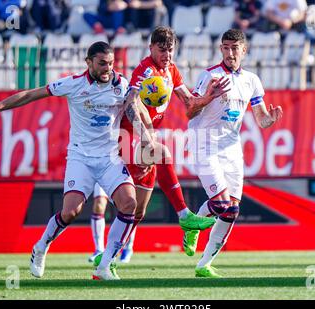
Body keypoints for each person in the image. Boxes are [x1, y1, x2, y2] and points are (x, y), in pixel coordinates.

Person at [0, 41, 153, 281]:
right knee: (71, 212)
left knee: (129, 204)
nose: (108, 69)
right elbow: (31, 94)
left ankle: (105, 265)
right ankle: (41, 247)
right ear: (89, 63)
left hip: (109, 159)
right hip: (80, 158)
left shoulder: (121, 84)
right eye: (102, 63)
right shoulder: (73, 84)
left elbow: (133, 109)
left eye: (111, 63)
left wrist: (147, 137)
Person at [92, 26, 229, 270]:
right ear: (151, 48)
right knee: (162, 153)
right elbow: (132, 102)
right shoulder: (145, 70)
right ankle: (185, 216)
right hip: (128, 138)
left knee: (137, 212)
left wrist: (208, 97)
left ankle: (108, 260)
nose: (166, 55)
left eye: (170, 50)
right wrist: (144, 137)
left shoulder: (172, 71)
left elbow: (189, 105)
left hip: (145, 139)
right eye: (162, 50)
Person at [183, 29, 283, 278]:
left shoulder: (252, 80)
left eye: (234, 48)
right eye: (225, 47)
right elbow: (189, 112)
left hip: (231, 148)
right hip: (205, 143)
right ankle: (193, 225)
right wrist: (208, 98)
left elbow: (261, 119)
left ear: (243, 50)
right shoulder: (210, 76)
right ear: (221, 49)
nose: (230, 53)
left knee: (232, 211)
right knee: (220, 203)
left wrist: (269, 120)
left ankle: (203, 265)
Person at [88, 183, 136, 263]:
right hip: (102, 172)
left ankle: (127, 248)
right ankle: (99, 249)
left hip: (123, 174)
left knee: (127, 206)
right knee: (99, 205)